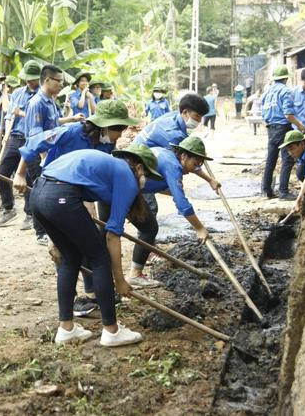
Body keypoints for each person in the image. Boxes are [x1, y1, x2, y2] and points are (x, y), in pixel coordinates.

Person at [29, 145, 162, 346]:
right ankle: (112, 331)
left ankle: (66, 329)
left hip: (38, 194)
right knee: (99, 258)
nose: (145, 181)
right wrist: (120, 280)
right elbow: (112, 236)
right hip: (60, 196)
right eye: (146, 175)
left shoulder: (110, 167)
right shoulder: (126, 175)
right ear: (138, 167)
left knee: (71, 258)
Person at [133, 136, 216, 287]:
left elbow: (157, 184)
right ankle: (135, 275)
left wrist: (177, 190)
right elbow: (182, 205)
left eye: (198, 166)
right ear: (183, 156)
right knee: (150, 228)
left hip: (127, 185)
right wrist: (200, 228)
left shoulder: (167, 155)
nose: (193, 169)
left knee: (105, 232)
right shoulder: (173, 166)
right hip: (127, 187)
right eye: (194, 164)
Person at [17, 65, 83, 244]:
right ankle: (41, 232)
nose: (61, 85)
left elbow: (53, 124)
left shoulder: (50, 100)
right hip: (38, 155)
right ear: (47, 80)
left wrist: (70, 120)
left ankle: (51, 229)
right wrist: (44, 156)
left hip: (52, 154)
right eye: (58, 81)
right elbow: (35, 137)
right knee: (40, 192)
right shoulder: (36, 103)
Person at [0, 61, 42, 230]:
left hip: (31, 140)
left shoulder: (41, 97)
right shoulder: (17, 93)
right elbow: (10, 115)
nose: (30, 82)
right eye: (28, 79)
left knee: (29, 177)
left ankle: (30, 214)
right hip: (14, 138)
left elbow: (34, 117)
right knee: (2, 173)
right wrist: (5, 135)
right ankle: (8, 208)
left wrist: (21, 113)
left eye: (34, 79)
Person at [260, 65, 305, 200]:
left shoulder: (266, 93)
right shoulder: (286, 91)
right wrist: (300, 125)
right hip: (283, 128)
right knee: (287, 159)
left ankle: (267, 189)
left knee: (271, 159)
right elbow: (288, 114)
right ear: (286, 78)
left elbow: (264, 115)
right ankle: (283, 191)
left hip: (271, 128)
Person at [278, 130, 305, 212]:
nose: (290, 153)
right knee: (300, 171)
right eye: (288, 150)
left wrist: (298, 201)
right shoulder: (302, 153)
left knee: (301, 171)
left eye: (292, 149)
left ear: (301, 144)